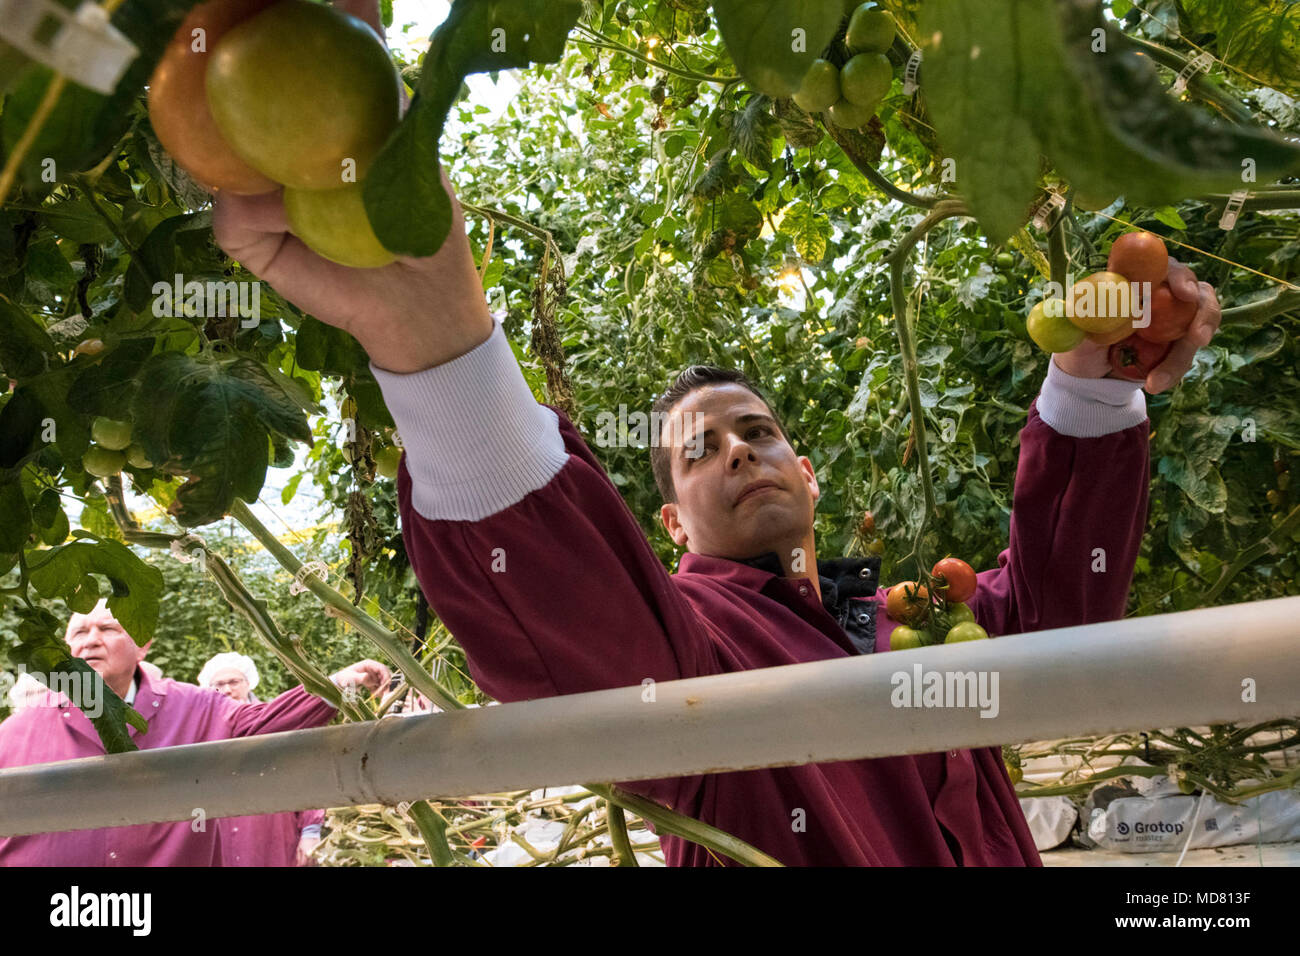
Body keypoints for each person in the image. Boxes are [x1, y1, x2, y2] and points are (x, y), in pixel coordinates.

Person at [211, 1, 1222, 865]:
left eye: (756, 430)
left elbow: (1052, 619)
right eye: (699, 450)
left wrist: (1091, 387)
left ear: (809, 473)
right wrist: (432, 342)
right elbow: (599, 660)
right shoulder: (698, 648)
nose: (736, 450)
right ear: (668, 523)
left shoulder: (887, 616)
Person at [0, 599, 390, 866]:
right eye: (79, 632)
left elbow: (263, 724)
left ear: (143, 645)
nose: (90, 640)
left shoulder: (194, 707)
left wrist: (338, 685)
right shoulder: (21, 729)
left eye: (107, 628)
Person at [198, 652, 325, 866]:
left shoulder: (276, 722)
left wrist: (311, 831)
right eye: (219, 684)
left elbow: (306, 774)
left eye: (234, 681)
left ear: (249, 683)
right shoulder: (202, 732)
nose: (228, 689)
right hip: (222, 834)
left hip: (274, 829)